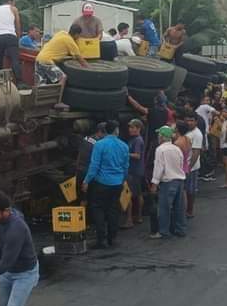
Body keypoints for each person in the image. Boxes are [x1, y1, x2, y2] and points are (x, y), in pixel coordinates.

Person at [81, 120, 129, 249]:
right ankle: (112, 238)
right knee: (113, 209)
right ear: (116, 130)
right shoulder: (124, 146)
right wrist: (122, 180)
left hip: (101, 183)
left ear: (105, 131)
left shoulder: (100, 145)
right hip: (117, 183)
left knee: (98, 209)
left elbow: (94, 166)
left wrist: (86, 181)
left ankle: (101, 239)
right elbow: (125, 167)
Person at [149, 125, 187, 239]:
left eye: (159, 135)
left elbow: (159, 168)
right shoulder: (176, 148)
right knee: (179, 208)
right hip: (179, 181)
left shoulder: (160, 149)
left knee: (164, 208)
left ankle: (163, 231)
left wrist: (154, 184)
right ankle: (180, 229)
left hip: (167, 182)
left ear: (161, 136)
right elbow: (181, 164)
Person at [35, 23, 86, 93]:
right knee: (63, 77)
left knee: (41, 83)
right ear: (77, 34)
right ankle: (57, 99)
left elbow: (59, 47)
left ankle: (39, 101)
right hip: (47, 61)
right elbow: (81, 60)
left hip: (38, 58)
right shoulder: (71, 42)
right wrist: (89, 69)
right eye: (79, 35)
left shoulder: (61, 33)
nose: (79, 37)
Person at [122, 119, 146, 226]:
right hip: (137, 170)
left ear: (138, 128)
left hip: (134, 171)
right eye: (130, 127)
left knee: (129, 194)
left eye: (132, 127)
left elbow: (137, 155)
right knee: (138, 193)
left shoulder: (137, 140)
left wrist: (125, 154)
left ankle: (129, 219)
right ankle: (139, 216)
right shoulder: (135, 139)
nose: (130, 129)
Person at [184, 109, 204, 219]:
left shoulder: (197, 134)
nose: (189, 122)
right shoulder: (186, 131)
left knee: (190, 190)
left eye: (192, 120)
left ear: (196, 122)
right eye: (188, 120)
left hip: (191, 167)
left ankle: (190, 210)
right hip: (183, 166)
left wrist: (189, 167)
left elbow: (196, 152)